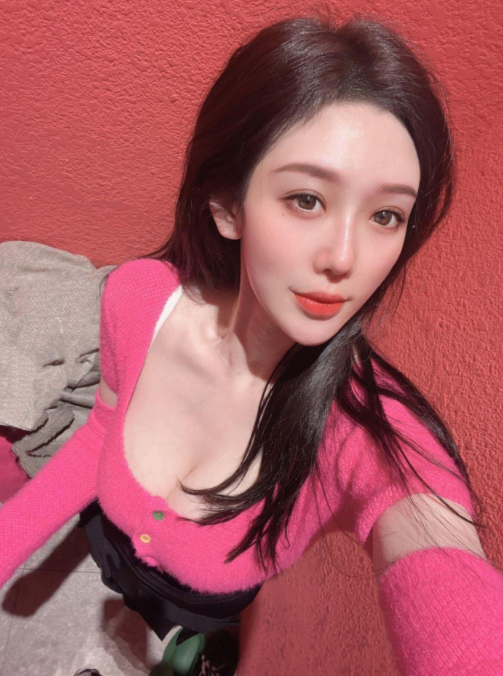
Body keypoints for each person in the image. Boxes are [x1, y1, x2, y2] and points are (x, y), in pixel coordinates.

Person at [1, 12, 503, 676]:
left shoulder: (366, 427)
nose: (344, 258)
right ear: (227, 205)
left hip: (200, 615)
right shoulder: (138, 298)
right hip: (106, 552)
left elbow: (445, 572)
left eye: (386, 215)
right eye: (306, 199)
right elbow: (101, 428)